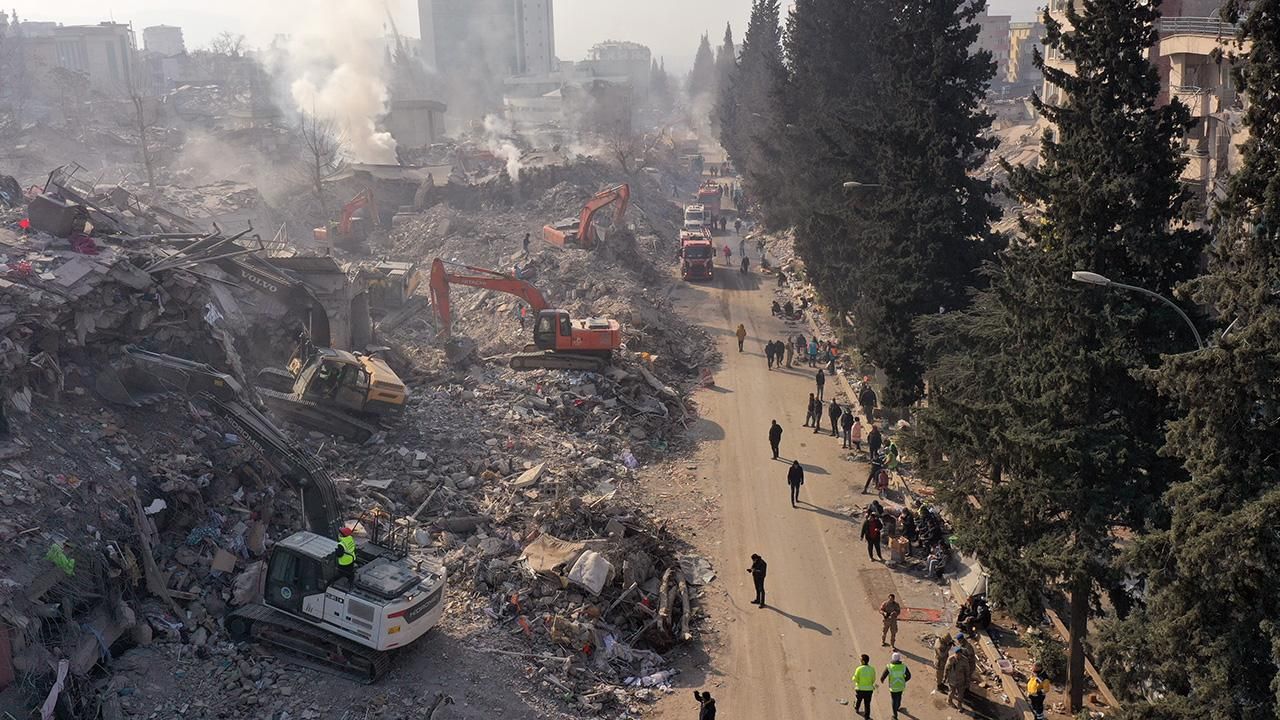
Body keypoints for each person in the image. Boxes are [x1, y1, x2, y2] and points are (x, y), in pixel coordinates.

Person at [880, 651, 912, 720]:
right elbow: (909, 676)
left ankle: (895, 715)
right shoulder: (903, 666)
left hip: (893, 687)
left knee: (894, 700)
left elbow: (883, 676)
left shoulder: (889, 666)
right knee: (899, 696)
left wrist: (882, 680)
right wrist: (904, 680)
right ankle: (898, 706)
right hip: (901, 686)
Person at [944, 646, 970, 710]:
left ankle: (959, 705)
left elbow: (967, 671)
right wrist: (945, 677)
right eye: (957, 653)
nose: (958, 655)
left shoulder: (965, 660)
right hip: (952, 680)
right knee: (951, 692)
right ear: (954, 653)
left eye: (959, 653)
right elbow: (947, 669)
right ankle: (949, 701)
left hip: (961, 680)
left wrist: (967, 680)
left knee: (960, 694)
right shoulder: (950, 659)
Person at [852, 654, 876, 720]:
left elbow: (855, 678)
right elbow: (873, 679)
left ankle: (857, 708)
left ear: (863, 661)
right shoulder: (872, 669)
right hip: (869, 690)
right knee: (867, 704)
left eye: (861, 659)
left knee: (858, 700)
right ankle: (867, 717)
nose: (860, 660)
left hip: (859, 689)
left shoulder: (859, 669)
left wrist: (854, 679)